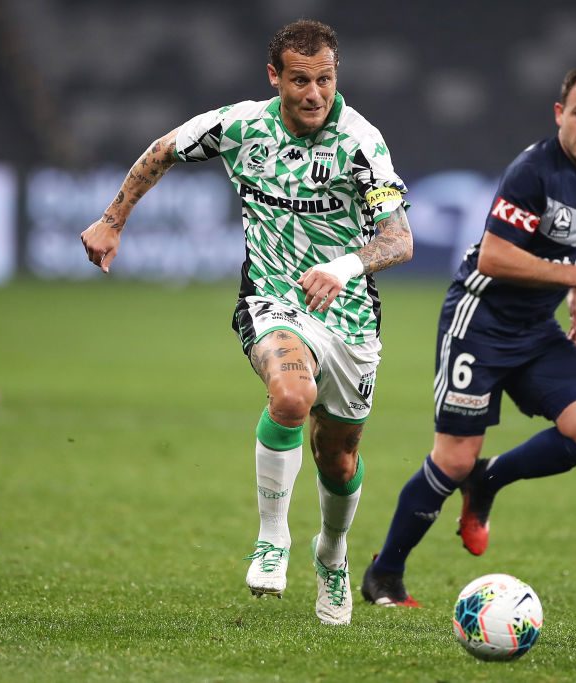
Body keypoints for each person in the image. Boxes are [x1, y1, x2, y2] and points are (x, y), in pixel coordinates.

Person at [80, 19, 413, 625]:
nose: (315, 94)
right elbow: (164, 150)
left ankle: (332, 555)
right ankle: (272, 538)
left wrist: (342, 265)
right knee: (290, 395)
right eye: (301, 80)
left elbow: (398, 240)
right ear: (275, 78)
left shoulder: (363, 143)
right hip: (274, 299)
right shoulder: (241, 126)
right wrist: (113, 219)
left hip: (350, 315)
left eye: (326, 79)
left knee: (338, 458)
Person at [360, 65, 576, 607]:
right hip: (479, 323)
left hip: (536, 328)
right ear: (560, 113)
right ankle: (385, 575)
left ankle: (490, 482)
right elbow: (494, 255)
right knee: (453, 460)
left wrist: (575, 288)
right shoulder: (532, 172)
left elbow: (572, 237)